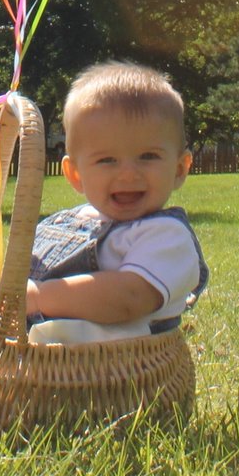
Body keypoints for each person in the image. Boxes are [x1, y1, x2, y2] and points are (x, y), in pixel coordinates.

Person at [23, 60, 209, 346]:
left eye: (148, 156)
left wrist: (38, 296)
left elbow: (128, 298)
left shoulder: (166, 236)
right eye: (107, 160)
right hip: (42, 364)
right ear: (75, 175)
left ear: (179, 169)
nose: (128, 174)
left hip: (116, 374)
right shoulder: (65, 223)